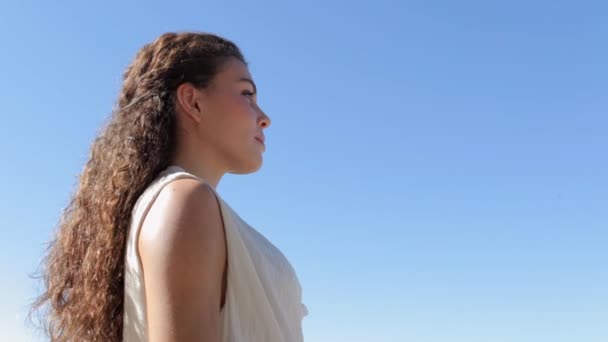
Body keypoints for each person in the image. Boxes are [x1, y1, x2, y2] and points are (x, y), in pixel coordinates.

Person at [29, 31, 308, 342]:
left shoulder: (181, 203)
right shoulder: (184, 200)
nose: (265, 117)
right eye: (247, 94)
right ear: (193, 102)